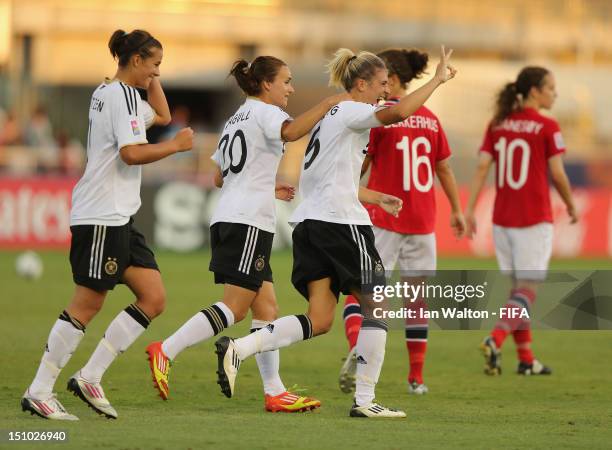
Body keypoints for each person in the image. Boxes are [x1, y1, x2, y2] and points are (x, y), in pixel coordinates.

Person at [214, 45, 456, 418]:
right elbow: (400, 112)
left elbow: (327, 179)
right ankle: (364, 400)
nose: (386, 91)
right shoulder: (355, 110)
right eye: (380, 84)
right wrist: (437, 81)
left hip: (310, 224)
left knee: (321, 318)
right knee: (377, 305)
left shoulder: (330, 118)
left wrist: (376, 197)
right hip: (342, 224)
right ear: (360, 84)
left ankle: (240, 349)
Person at [145, 56, 349, 413]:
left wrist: (266, 184)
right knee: (235, 309)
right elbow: (290, 131)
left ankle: (275, 391)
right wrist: (329, 102)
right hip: (248, 222)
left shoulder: (235, 118)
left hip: (230, 216)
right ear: (266, 84)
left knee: (267, 307)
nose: (291, 88)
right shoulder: (267, 113)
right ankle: (167, 350)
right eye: (286, 81)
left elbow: (220, 177)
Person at [21, 29, 193, 421]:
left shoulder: (110, 92)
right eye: (153, 64)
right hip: (101, 215)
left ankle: (90, 376)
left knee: (154, 297)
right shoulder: (121, 97)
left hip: (119, 217)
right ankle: (39, 389)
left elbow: (162, 116)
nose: (156, 73)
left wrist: (155, 78)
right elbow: (132, 153)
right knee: (88, 303)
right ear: (135, 61)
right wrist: (175, 146)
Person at [339, 48, 465, 396]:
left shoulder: (383, 118)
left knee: (363, 291)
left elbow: (359, 166)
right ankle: (416, 377)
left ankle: (356, 345)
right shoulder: (431, 120)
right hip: (423, 220)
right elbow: (444, 168)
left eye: (383, 80)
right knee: (416, 299)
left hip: (384, 218)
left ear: (391, 79)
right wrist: (456, 209)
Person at [465, 66, 577, 376]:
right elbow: (557, 173)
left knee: (517, 290)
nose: (554, 93)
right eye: (551, 88)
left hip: (502, 219)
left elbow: (481, 169)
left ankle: (526, 360)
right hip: (533, 218)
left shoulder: (498, 123)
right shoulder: (547, 125)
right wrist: (570, 204)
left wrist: (470, 209)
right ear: (534, 92)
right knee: (527, 290)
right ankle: (495, 338)